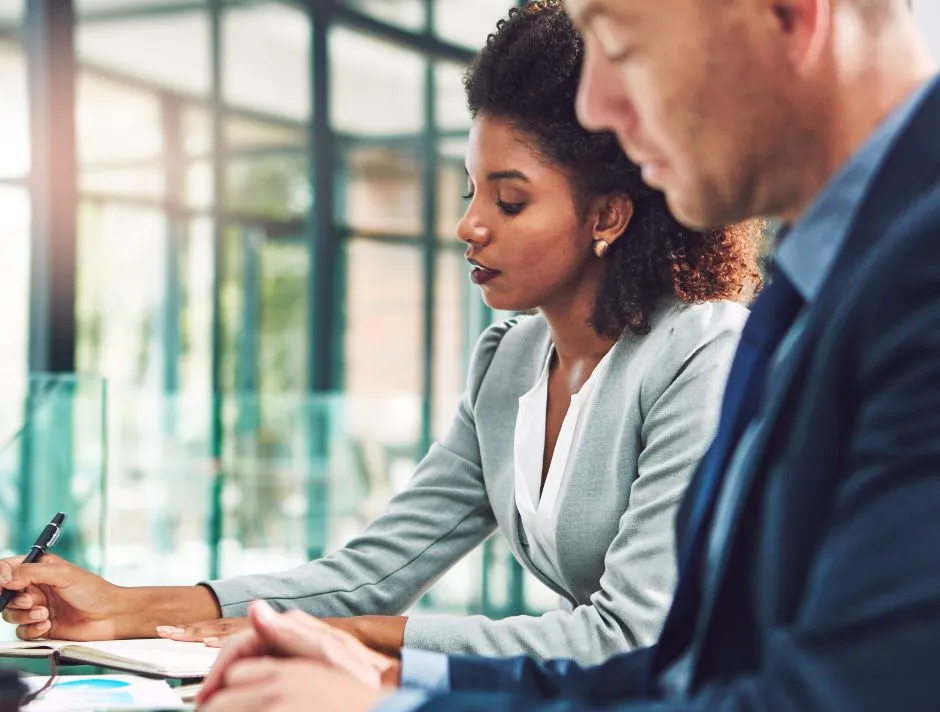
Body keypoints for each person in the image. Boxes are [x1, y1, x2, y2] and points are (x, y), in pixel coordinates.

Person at [165, 0, 940, 712]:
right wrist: (399, 681)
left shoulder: (906, 288)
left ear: (787, 13)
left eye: (622, 42)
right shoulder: (824, 286)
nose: (597, 104)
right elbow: (694, 677)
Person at [0, 3, 761, 666]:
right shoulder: (511, 364)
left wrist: (367, 638)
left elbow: (629, 637)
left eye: (510, 200)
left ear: (607, 215)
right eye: (471, 191)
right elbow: (371, 572)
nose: (468, 225)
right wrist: (122, 607)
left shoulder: (701, 355)